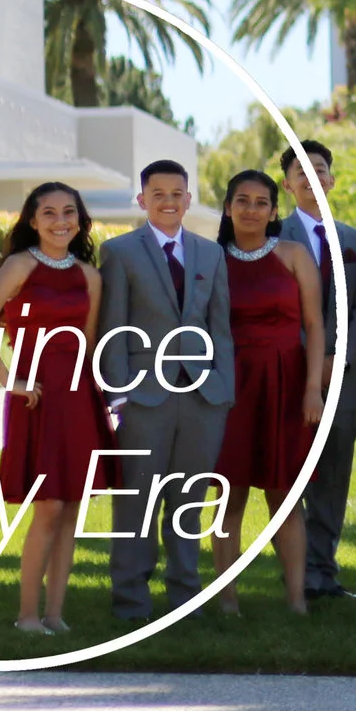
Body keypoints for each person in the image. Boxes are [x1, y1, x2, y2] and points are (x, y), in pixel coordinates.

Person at [0, 181, 111, 635]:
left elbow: (88, 343)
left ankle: (54, 615)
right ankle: (27, 616)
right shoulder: (19, 264)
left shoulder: (90, 276)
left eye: (69, 212)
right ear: (32, 220)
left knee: (70, 506)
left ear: (80, 221)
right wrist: (12, 381)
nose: (60, 221)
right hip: (36, 396)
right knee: (47, 506)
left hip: (78, 395)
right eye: (49, 213)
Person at [97, 159, 235, 621]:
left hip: (203, 396)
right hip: (144, 395)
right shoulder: (119, 252)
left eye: (177, 193)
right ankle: (131, 601)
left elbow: (220, 328)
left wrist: (224, 390)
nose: (169, 201)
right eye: (158, 194)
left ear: (188, 199)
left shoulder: (210, 253)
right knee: (138, 498)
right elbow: (113, 326)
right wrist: (118, 395)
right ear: (142, 200)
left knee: (189, 500)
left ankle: (183, 600)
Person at [207, 169, 323, 615]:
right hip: (231, 387)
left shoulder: (293, 254)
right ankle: (227, 601)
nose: (251, 209)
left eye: (260, 202)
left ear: (275, 211)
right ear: (228, 207)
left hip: (286, 383)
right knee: (228, 495)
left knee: (285, 496)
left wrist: (312, 388)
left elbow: (314, 324)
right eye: (242, 200)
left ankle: (297, 601)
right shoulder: (212, 258)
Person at [275, 138, 356, 602]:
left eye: (320, 170)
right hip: (289, 375)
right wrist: (312, 359)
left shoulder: (353, 240)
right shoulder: (272, 238)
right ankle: (295, 573)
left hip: (341, 378)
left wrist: (341, 355)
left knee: (334, 477)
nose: (312, 179)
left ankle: (324, 573)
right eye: (302, 172)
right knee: (291, 476)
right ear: (288, 184)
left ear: (331, 180)